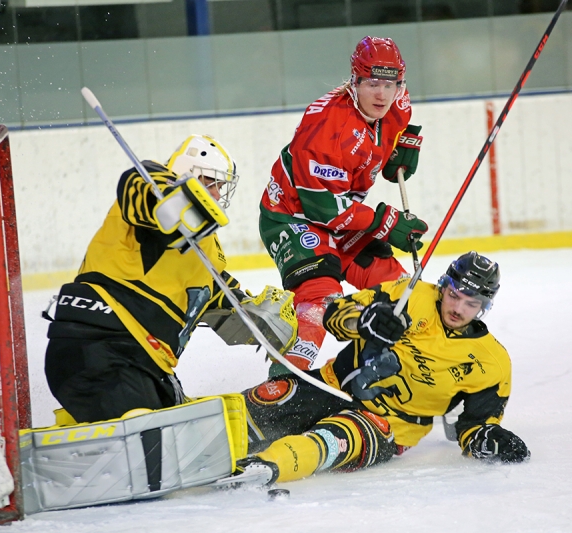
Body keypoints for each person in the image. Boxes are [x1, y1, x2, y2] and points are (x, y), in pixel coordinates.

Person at [217, 252, 530, 488]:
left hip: (387, 425)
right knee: (263, 404)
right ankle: (195, 431)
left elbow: (474, 428)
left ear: (485, 306)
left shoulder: (492, 362)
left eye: (471, 303)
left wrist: (490, 438)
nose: (458, 308)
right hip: (331, 385)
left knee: (327, 442)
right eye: (454, 295)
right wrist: (364, 320)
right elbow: (335, 313)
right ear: (444, 286)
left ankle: (261, 469)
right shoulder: (410, 295)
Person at [44, 134, 296, 424]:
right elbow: (141, 189)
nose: (216, 194)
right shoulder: (152, 184)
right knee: (150, 435)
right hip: (97, 347)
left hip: (147, 366)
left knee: (188, 432)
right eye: (210, 182)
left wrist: (263, 317)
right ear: (187, 174)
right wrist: (176, 199)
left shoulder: (207, 250)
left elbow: (229, 303)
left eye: (220, 186)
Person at [260, 36, 430, 375]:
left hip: (347, 217)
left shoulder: (397, 101)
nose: (382, 94)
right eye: (372, 83)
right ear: (354, 82)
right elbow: (324, 209)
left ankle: (399, 369)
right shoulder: (324, 128)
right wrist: (387, 222)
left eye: (391, 84)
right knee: (321, 300)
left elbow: (393, 129)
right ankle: (282, 385)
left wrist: (401, 145)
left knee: (399, 292)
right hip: (295, 218)